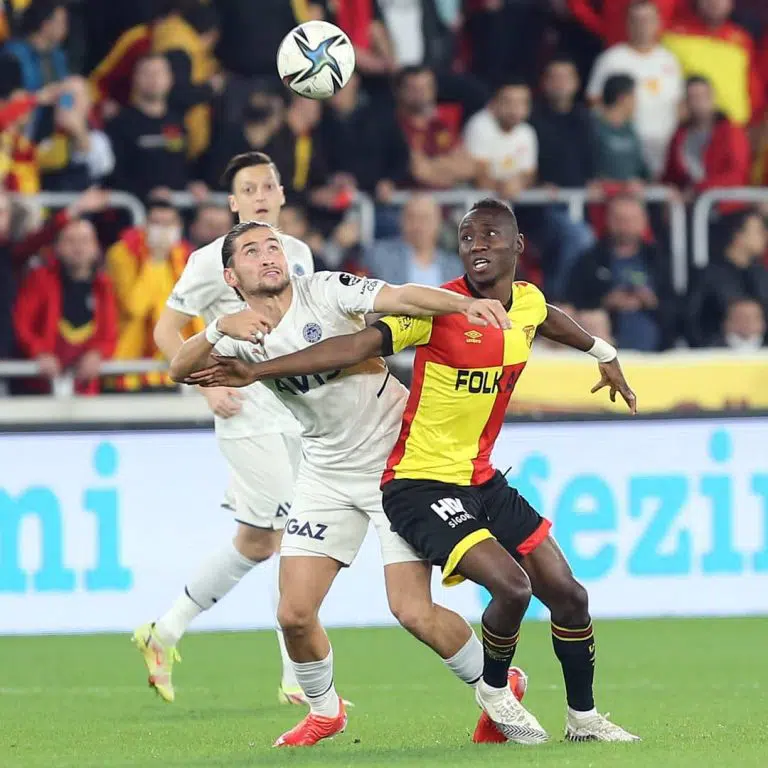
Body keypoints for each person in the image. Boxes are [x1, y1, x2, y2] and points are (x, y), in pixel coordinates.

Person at [190, 199, 641, 745]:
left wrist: (602, 350)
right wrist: (248, 360)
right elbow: (353, 344)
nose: (477, 246)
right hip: (401, 477)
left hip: (459, 472)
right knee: (298, 613)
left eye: (489, 236)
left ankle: (578, 719)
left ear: (518, 246)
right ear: (231, 275)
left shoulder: (521, 302)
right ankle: (454, 694)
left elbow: (544, 315)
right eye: (467, 238)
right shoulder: (434, 311)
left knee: (554, 596)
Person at [134, 152, 315, 706]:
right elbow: (166, 332)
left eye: (267, 186)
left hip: (296, 414)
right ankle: (298, 678)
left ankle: (163, 632)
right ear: (234, 202)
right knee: (298, 534)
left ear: (281, 194)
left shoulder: (298, 254)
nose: (260, 196)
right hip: (245, 416)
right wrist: (206, 387)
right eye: (248, 189)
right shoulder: (210, 260)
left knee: (257, 543)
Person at [13, 218, 118, 395]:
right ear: (57, 247)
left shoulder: (104, 286)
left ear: (96, 248)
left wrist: (98, 353)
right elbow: (22, 324)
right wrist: (39, 352)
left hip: (86, 388)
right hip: (39, 386)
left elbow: (110, 332)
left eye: (85, 241)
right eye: (70, 240)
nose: (78, 247)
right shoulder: (39, 280)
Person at [106, 196, 197, 390]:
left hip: (174, 372)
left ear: (179, 227)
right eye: (157, 224)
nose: (163, 231)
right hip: (129, 370)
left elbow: (195, 314)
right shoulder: (122, 254)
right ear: (144, 226)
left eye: (169, 224)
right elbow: (135, 308)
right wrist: (156, 260)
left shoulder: (187, 256)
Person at [586, 0, 683, 177]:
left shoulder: (670, 60)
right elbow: (594, 103)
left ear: (658, 23)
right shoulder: (611, 59)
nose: (642, 25)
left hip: (664, 150)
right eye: (636, 20)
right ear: (628, 24)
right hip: (624, 151)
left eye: (647, 20)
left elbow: (680, 105)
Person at [566, 194, 674, 351]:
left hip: (657, 348)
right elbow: (573, 301)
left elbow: (679, 305)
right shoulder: (590, 260)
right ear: (608, 221)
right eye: (620, 219)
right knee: (593, 319)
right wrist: (606, 302)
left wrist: (652, 301)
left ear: (643, 222)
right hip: (604, 341)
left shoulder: (659, 259)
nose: (625, 226)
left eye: (631, 220)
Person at [686, 210, 768, 347]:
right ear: (738, 236)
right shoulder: (708, 275)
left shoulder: (762, 274)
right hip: (718, 353)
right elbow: (692, 321)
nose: (765, 235)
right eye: (759, 231)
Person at [662, 76, 751, 202]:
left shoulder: (730, 132)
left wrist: (699, 189)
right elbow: (670, 175)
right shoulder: (679, 135)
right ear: (686, 101)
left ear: (712, 97)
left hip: (724, 204)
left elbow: (736, 175)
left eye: (704, 96)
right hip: (686, 203)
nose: (700, 102)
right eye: (694, 97)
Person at [363, 194, 462, 287]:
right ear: (401, 221)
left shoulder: (455, 267)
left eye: (425, 218)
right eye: (411, 218)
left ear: (438, 223)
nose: (418, 225)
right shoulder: (379, 256)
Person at [463, 79, 538, 201]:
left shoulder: (527, 132)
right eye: (508, 102)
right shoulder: (480, 125)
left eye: (521, 103)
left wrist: (519, 183)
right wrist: (503, 186)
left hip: (505, 203)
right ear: (494, 103)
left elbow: (529, 175)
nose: (515, 109)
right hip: (474, 203)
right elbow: (478, 177)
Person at [592, 74, 649, 184]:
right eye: (633, 96)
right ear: (622, 98)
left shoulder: (631, 130)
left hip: (632, 192)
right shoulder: (593, 128)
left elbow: (641, 168)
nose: (636, 102)